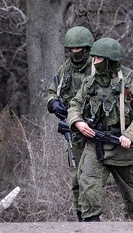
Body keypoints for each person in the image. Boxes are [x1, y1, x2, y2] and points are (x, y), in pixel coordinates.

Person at [67, 38, 133, 222]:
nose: (94, 61)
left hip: (123, 146)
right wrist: (78, 123)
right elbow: (74, 104)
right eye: (94, 58)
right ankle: (91, 223)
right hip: (95, 142)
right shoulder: (90, 82)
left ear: (110, 60)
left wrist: (130, 135)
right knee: (88, 183)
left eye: (99, 58)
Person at [46, 26, 94, 221]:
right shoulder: (64, 70)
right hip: (72, 131)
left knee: (90, 177)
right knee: (76, 178)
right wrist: (53, 103)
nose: (76, 52)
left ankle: (94, 215)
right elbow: (51, 92)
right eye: (72, 49)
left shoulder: (97, 67)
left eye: (79, 49)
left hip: (94, 128)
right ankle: (82, 216)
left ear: (87, 48)